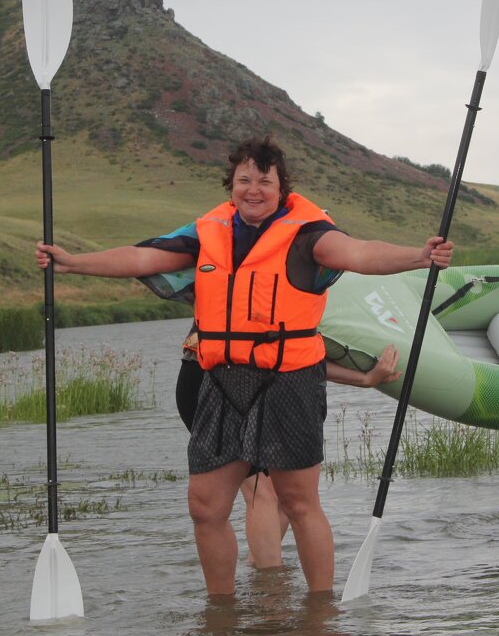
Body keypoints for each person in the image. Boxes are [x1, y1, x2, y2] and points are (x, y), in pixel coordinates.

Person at [35, 135, 452, 597]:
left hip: (288, 381)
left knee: (297, 501)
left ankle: (319, 615)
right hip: (221, 380)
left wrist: (418, 255)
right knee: (205, 505)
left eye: (264, 181)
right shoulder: (208, 231)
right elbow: (141, 256)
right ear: (231, 184)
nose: (253, 189)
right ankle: (222, 612)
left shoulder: (309, 233)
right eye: (244, 180)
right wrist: (73, 264)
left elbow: (360, 253)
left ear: (281, 188)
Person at [175, 330, 401, 569]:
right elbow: (290, 353)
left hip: (230, 377)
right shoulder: (277, 301)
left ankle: (261, 573)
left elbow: (295, 349)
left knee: (285, 494)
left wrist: (364, 378)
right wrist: (362, 379)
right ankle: (271, 591)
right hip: (218, 381)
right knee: (262, 491)